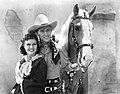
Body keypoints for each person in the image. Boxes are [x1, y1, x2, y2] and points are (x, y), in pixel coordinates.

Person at [27, 14, 79, 94]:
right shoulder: (34, 50)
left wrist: (72, 66)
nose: (45, 34)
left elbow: (66, 66)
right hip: (37, 90)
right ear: (37, 33)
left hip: (54, 90)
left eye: (48, 30)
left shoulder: (59, 50)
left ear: (51, 31)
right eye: (42, 31)